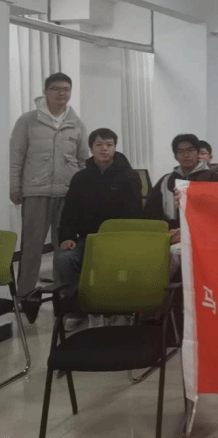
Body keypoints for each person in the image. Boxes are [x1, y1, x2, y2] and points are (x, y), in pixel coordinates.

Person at [9, 72, 88, 299]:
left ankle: (61, 296)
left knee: (64, 246)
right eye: (55, 89)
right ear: (45, 92)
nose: (61, 93)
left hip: (67, 193)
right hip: (36, 191)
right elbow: (16, 157)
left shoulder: (76, 123)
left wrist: (83, 192)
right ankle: (25, 296)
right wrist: (15, 186)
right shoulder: (28, 121)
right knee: (31, 247)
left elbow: (83, 160)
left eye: (66, 89)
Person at [55, 128, 142, 330]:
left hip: (119, 240)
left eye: (109, 145)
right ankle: (74, 309)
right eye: (99, 145)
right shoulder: (80, 178)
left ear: (115, 147)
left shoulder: (129, 176)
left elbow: (135, 213)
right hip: (89, 239)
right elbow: (69, 212)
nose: (105, 149)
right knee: (65, 259)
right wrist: (67, 237)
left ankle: (121, 308)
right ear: (91, 148)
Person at [144, 134, 218, 277]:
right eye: (180, 151)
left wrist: (187, 232)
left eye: (190, 150)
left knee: (178, 252)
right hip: (171, 235)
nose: (186, 155)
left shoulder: (213, 179)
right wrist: (167, 231)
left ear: (197, 152)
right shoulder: (166, 180)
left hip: (203, 237)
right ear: (175, 156)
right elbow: (151, 213)